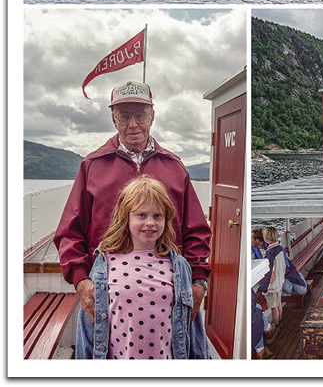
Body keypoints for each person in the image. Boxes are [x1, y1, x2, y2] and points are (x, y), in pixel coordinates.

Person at [54, 81, 212, 336]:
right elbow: (69, 233)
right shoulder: (92, 165)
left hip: (170, 294)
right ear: (114, 119)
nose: (133, 124)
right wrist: (82, 281)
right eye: (124, 116)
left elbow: (196, 231)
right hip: (105, 294)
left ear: (152, 116)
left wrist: (198, 283)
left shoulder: (174, 167)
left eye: (140, 115)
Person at [76, 175, 209, 359]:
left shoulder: (179, 266)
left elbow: (192, 328)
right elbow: (89, 324)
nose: (150, 223)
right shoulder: (104, 263)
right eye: (141, 215)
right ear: (126, 217)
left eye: (157, 216)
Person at [259, 226, 285, 326]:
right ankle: (280, 319)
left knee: (274, 306)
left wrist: (264, 288)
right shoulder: (279, 249)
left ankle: (275, 324)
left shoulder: (270, 252)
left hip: (273, 286)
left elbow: (269, 272)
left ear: (266, 238)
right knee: (278, 302)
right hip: (280, 282)